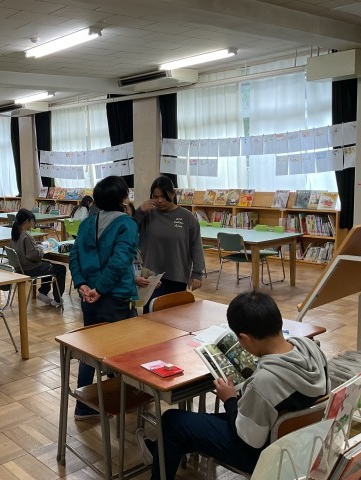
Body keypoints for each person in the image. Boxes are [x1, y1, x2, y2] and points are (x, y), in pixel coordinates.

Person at [137, 291, 330, 480]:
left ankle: (159, 459)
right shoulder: (311, 348)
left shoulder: (264, 382)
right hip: (300, 444)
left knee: (172, 421)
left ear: (245, 338)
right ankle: (158, 451)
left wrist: (229, 399)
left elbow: (249, 439)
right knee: (188, 428)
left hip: (262, 453)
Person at [69, 176, 139, 420]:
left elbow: (74, 256)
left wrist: (82, 284)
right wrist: (100, 289)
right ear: (122, 198)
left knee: (90, 349)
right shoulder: (127, 224)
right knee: (122, 351)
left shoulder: (87, 223)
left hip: (88, 296)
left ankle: (83, 404)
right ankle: (121, 398)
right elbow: (119, 261)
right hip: (115, 296)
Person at [135, 176, 204, 313]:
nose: (159, 200)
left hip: (177, 275)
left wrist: (197, 273)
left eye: (163, 196)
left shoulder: (187, 217)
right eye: (155, 197)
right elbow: (129, 230)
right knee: (151, 315)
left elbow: (196, 246)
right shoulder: (147, 215)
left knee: (175, 316)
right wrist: (139, 211)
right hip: (151, 277)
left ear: (173, 194)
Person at [10, 208, 66, 307]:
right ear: (27, 221)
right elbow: (35, 255)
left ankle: (43, 292)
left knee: (48, 265)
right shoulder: (26, 236)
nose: (32, 224)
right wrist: (41, 249)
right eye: (32, 221)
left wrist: (36, 244)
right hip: (30, 269)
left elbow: (26, 248)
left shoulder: (15, 233)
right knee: (61, 269)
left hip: (20, 268)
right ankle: (57, 300)